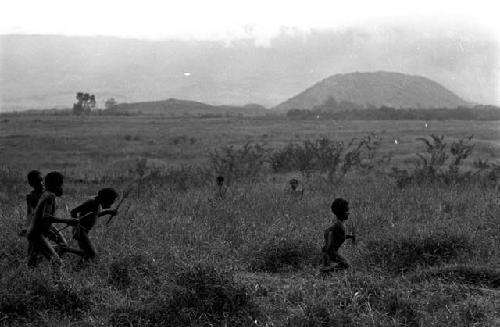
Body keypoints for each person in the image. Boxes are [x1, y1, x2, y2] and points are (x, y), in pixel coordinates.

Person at [26, 171, 78, 275]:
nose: (62, 185)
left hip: (39, 230)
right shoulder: (49, 196)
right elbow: (45, 216)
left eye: (42, 181)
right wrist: (68, 221)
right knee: (57, 262)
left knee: (60, 247)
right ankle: (58, 284)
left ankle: (41, 256)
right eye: (61, 183)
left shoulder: (47, 193)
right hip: (37, 232)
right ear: (56, 184)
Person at [60, 188, 118, 263]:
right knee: (91, 254)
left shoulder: (96, 204)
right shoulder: (91, 203)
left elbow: (95, 215)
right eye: (110, 203)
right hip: (80, 230)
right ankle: (64, 249)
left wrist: (107, 212)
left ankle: (74, 266)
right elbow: (74, 211)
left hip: (83, 231)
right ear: (105, 199)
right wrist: (76, 226)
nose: (110, 205)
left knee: (87, 254)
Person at [22, 170, 68, 247]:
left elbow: (59, 193)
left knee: (62, 245)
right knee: (35, 250)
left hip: (47, 224)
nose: (40, 184)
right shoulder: (31, 197)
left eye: (41, 180)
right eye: (37, 182)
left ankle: (47, 251)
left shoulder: (48, 192)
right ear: (31, 184)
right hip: (39, 225)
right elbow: (30, 213)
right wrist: (26, 227)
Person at [321, 198, 355, 272]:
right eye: (347, 211)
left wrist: (350, 236)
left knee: (345, 265)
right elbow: (329, 233)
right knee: (347, 265)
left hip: (331, 252)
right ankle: (325, 270)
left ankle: (327, 269)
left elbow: (339, 237)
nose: (349, 213)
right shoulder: (338, 225)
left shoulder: (340, 224)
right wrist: (327, 250)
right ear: (341, 212)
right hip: (331, 252)